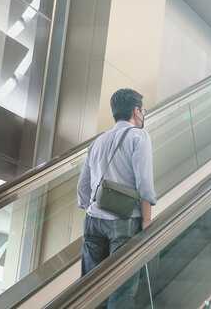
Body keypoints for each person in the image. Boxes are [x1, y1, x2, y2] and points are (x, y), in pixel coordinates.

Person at [77, 88, 157, 308]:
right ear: (136, 111)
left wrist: (96, 213)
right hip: (124, 222)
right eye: (143, 110)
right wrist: (147, 222)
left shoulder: (97, 142)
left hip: (93, 221)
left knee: (90, 290)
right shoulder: (139, 137)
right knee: (120, 292)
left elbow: (83, 188)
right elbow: (144, 184)